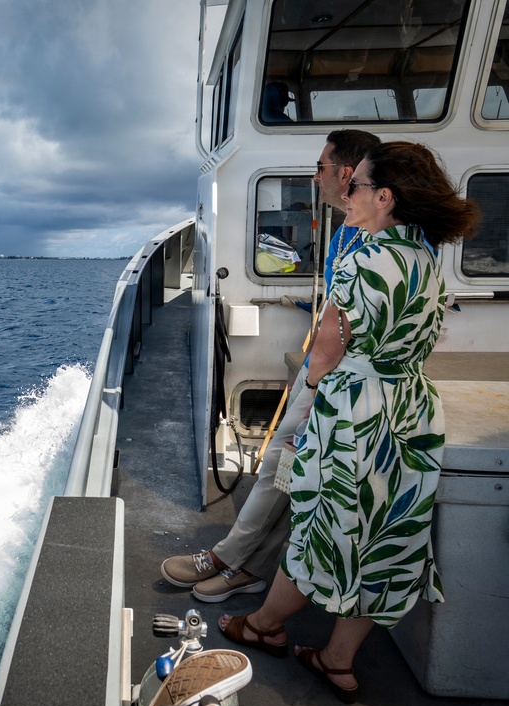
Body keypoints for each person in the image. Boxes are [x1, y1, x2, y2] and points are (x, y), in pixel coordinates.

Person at [217, 141, 481, 703]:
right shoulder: (425, 258)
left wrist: (310, 391)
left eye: (355, 185)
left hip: (354, 412)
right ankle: (337, 661)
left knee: (322, 530)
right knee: (385, 536)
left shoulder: (363, 257)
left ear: (383, 198)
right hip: (411, 409)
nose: (346, 192)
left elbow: (327, 350)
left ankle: (264, 625)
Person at [161, 130, 381, 603]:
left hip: (338, 382)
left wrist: (317, 383)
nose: (315, 176)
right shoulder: (348, 231)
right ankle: (244, 563)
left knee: (282, 464)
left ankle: (231, 561)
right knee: (281, 469)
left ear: (346, 174)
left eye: (321, 167)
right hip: (325, 373)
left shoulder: (377, 245)